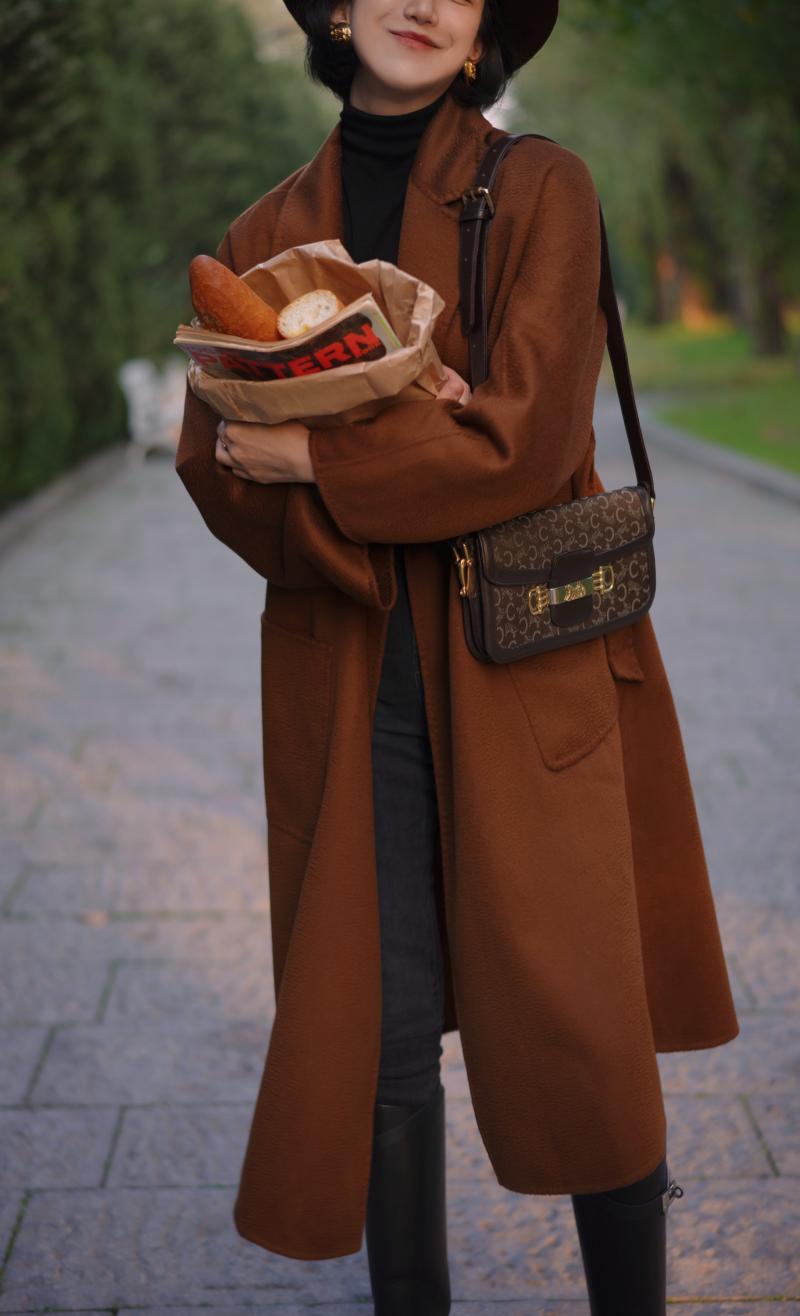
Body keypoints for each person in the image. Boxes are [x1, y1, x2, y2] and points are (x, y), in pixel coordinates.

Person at [175, 2, 740, 1312]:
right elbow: (216, 460)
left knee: (582, 1019)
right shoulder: (264, 231)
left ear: (486, 27)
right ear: (331, 8)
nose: (422, 2)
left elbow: (532, 439)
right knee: (375, 1027)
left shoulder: (540, 186)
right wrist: (364, 487)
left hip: (525, 663)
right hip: (348, 661)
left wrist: (319, 454)